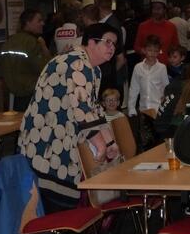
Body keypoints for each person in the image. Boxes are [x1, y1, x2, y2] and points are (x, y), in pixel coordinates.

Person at [18, 23, 119, 212]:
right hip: (47, 140)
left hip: (55, 136)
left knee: (56, 202)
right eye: (107, 42)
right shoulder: (78, 63)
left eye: (114, 44)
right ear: (91, 42)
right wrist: (101, 145)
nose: (112, 48)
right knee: (52, 205)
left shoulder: (92, 67)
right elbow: (82, 109)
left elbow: (94, 108)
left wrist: (110, 142)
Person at [0, 9, 52, 111]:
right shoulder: (32, 43)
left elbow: (0, 69)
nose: (43, 23)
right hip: (30, 95)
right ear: (28, 22)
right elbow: (46, 68)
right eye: (39, 20)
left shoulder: (8, 42)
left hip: (11, 96)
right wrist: (45, 49)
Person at [128, 35, 169, 118]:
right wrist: (131, 108)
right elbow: (134, 89)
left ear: (159, 52)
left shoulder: (162, 68)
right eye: (150, 50)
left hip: (158, 109)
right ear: (144, 50)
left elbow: (166, 88)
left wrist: (165, 102)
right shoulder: (138, 67)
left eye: (155, 51)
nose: (152, 53)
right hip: (143, 109)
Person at [133, 0, 179, 65]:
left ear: (164, 10)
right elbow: (136, 47)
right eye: (154, 8)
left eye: (159, 8)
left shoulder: (171, 27)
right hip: (146, 66)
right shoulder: (142, 26)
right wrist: (146, 52)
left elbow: (176, 47)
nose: (156, 11)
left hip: (165, 66)